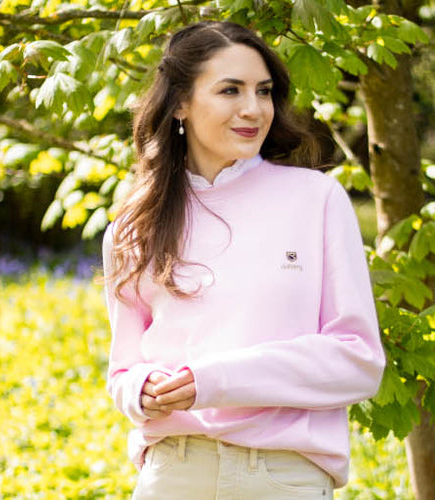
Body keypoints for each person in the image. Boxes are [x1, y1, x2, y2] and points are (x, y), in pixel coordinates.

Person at [98, 20, 387, 499]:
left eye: (264, 91)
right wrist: (143, 391)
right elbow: (124, 371)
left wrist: (213, 382)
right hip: (173, 474)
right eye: (230, 90)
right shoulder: (134, 225)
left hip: (282, 477)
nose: (253, 109)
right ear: (180, 104)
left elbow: (357, 359)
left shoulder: (314, 199)